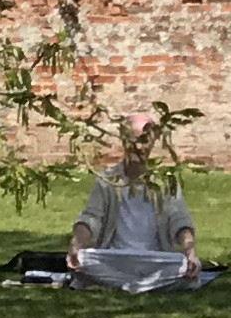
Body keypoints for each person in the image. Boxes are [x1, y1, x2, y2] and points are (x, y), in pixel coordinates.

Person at [67, 117, 211, 290]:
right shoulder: (107, 180)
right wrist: (76, 245)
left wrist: (190, 252)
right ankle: (144, 286)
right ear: (125, 141)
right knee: (82, 261)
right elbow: (91, 218)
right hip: (115, 257)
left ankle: (126, 286)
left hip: (154, 258)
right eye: (135, 140)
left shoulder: (164, 181)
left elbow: (179, 221)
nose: (139, 147)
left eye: (145, 141)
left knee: (186, 266)